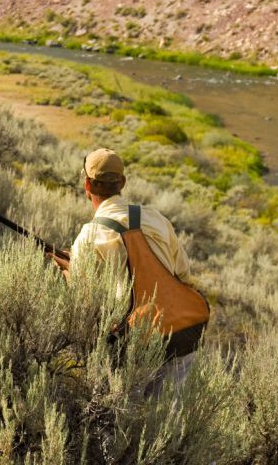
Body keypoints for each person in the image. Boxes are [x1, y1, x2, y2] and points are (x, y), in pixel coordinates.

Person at [50, 148, 201, 395]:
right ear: (122, 182)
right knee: (169, 423)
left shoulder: (90, 235)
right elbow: (183, 275)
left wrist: (68, 271)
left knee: (121, 421)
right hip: (181, 334)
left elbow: (85, 299)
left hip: (135, 344)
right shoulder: (155, 218)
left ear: (87, 185)